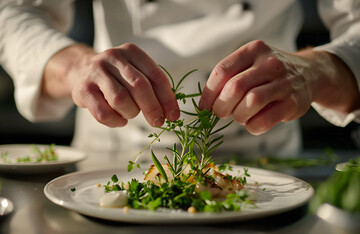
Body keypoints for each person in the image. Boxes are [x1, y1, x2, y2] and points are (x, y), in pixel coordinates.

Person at [0, 0, 360, 160]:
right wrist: (73, 67)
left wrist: (317, 69)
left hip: (266, 162)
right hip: (112, 159)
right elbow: (15, 11)